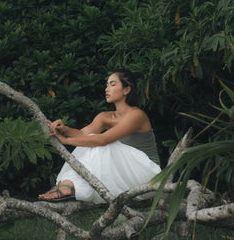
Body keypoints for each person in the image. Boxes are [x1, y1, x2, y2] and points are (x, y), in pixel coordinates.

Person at [38, 69, 161, 203]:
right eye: (107, 85)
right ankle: (69, 184)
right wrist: (64, 129)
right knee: (92, 138)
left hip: (148, 175)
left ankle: (70, 186)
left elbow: (103, 140)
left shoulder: (136, 115)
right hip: (123, 172)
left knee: (103, 144)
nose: (107, 89)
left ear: (126, 90)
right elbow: (83, 134)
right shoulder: (105, 117)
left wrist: (66, 141)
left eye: (112, 85)